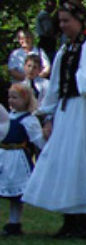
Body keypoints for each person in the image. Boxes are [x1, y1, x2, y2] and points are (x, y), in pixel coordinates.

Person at [23, 0, 86, 239]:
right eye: (61, 21)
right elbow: (55, 85)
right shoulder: (66, 49)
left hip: (85, 110)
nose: (62, 25)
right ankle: (69, 218)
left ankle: (84, 222)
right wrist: (47, 112)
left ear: (79, 20)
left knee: (83, 162)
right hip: (67, 111)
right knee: (65, 163)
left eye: (67, 20)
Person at [0, 84, 46, 235]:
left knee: (16, 195)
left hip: (17, 158)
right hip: (3, 156)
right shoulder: (7, 116)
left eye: (15, 97)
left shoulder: (29, 120)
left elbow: (38, 140)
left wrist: (47, 148)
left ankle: (14, 222)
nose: (11, 101)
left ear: (25, 100)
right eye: (10, 97)